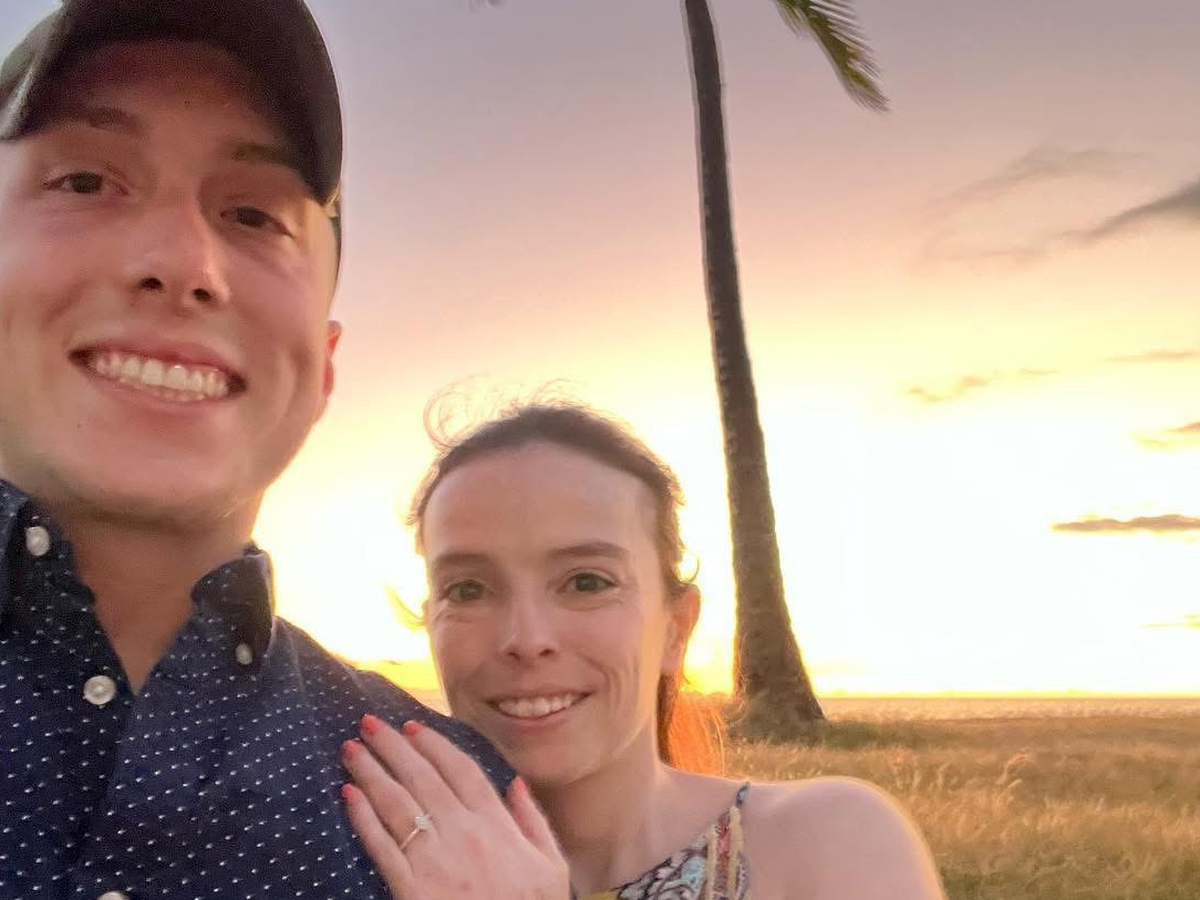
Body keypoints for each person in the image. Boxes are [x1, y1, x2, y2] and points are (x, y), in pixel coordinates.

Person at [0, 3, 524, 898]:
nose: (183, 262)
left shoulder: (468, 812)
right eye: (86, 182)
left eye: (252, 213)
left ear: (323, 370)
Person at [346, 403, 947, 899]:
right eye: (467, 590)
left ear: (676, 629)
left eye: (586, 582)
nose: (525, 640)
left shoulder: (827, 843)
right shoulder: (355, 852)